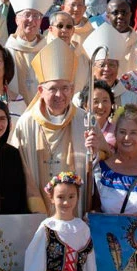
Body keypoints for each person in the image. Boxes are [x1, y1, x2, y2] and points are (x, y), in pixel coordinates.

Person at [12, 38, 100, 214]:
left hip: (77, 212)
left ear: (72, 89)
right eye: (52, 88)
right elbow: (18, 168)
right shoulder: (27, 123)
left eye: (65, 88)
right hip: (39, 211)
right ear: (40, 91)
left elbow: (102, 159)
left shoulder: (85, 120)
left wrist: (96, 152)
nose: (59, 95)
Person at [5, 0, 54, 101]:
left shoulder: (47, 50)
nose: (31, 20)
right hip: (16, 109)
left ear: (41, 21)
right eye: (27, 15)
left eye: (36, 16)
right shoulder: (7, 51)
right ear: (17, 19)